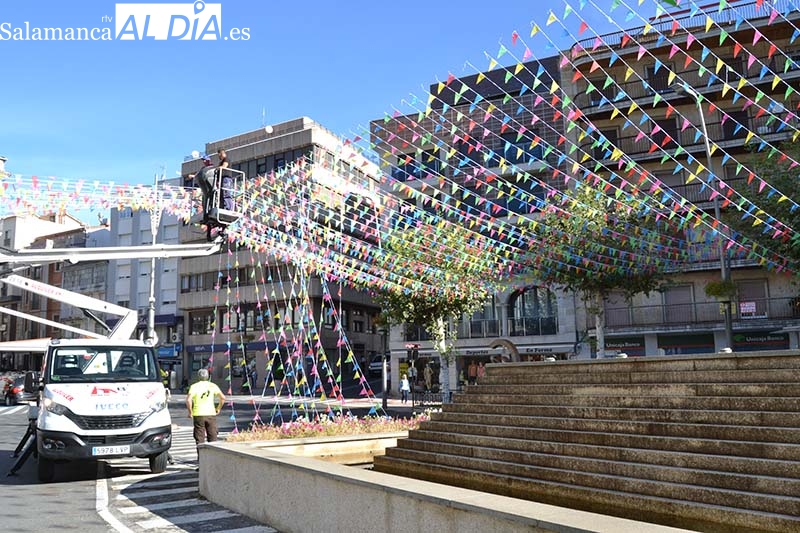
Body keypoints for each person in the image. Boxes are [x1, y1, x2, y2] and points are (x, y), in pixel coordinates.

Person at [186, 368, 226, 454]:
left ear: (198, 377)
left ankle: (201, 461)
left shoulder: (194, 386)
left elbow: (188, 400)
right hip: (211, 413)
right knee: (212, 437)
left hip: (198, 414)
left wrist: (190, 412)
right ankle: (213, 459)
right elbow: (223, 398)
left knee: (199, 439)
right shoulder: (213, 386)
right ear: (208, 376)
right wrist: (218, 408)